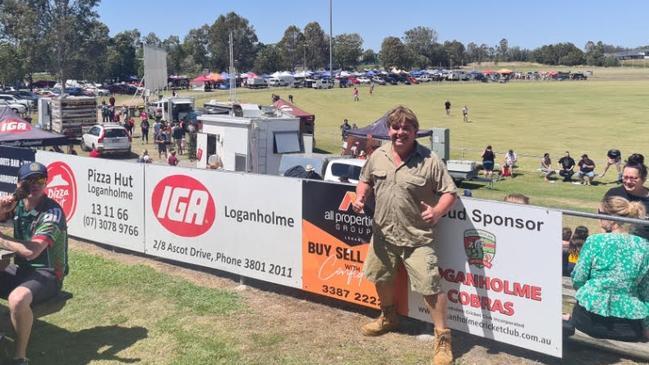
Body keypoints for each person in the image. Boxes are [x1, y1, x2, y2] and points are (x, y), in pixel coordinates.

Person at [352, 106, 457, 365]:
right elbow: (365, 179)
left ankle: (442, 340)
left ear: (415, 132)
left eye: (406, 128)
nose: (400, 133)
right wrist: (360, 196)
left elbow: (449, 192)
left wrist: (438, 211)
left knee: (430, 287)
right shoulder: (378, 155)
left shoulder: (430, 160)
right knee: (380, 277)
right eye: (395, 128)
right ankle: (389, 317)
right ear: (389, 130)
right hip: (383, 233)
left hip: (417, 237)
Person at [0, 162, 68, 364]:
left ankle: (20, 356)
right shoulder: (18, 205)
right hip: (22, 271)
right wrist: (2, 208)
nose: (35, 185)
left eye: (40, 180)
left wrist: (1, 238)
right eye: (29, 181)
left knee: (18, 299)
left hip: (47, 274)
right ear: (19, 184)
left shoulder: (52, 211)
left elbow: (32, 251)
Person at [568, 196, 649, 341]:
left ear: (611, 218)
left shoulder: (595, 241)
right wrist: (646, 326)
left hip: (587, 320)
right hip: (627, 327)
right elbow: (645, 292)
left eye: (599, 213)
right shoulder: (645, 247)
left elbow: (578, 279)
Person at [604, 153, 649, 240]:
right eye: (625, 177)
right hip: (615, 243)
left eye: (633, 178)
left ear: (643, 179)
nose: (628, 181)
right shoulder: (612, 194)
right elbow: (603, 222)